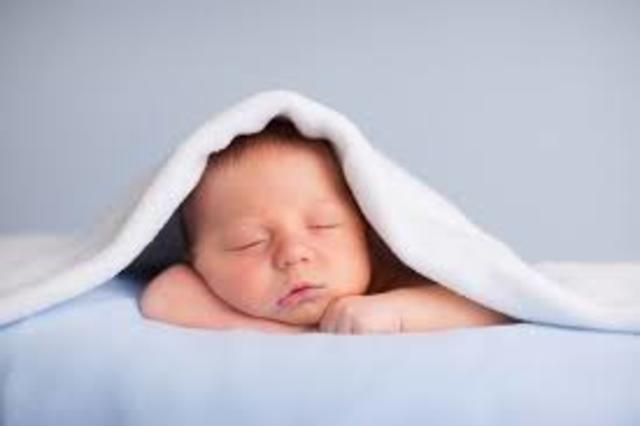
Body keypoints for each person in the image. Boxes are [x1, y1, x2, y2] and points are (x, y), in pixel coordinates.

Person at [139, 119, 514, 334]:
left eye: (323, 225)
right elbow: (164, 295)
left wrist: (399, 311)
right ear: (195, 260)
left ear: (366, 229)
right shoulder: (190, 279)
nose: (293, 254)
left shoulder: (394, 270)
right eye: (248, 243)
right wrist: (292, 333)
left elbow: (498, 301)